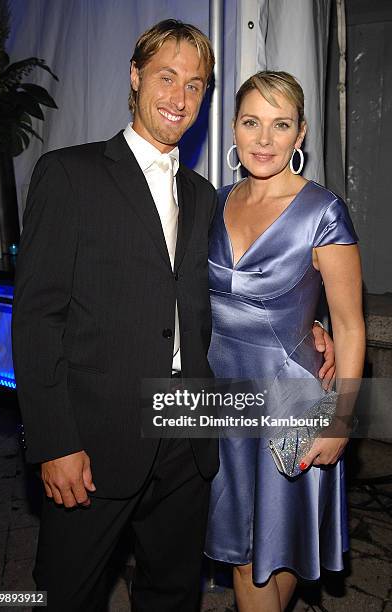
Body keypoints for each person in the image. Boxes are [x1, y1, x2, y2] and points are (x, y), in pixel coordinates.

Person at [12, 19, 334, 610]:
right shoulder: (69, 174)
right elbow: (35, 319)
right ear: (135, 78)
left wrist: (305, 323)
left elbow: (228, 291)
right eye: (166, 77)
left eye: (195, 84)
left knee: (172, 594)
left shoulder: (204, 195)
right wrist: (54, 441)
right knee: (69, 592)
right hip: (94, 441)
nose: (179, 97)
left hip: (188, 436)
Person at [204, 71, 365, 612]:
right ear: (234, 128)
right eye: (252, 122)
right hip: (220, 399)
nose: (265, 139)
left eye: (281, 125)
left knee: (263, 552)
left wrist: (340, 419)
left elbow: (349, 326)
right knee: (253, 551)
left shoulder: (323, 212)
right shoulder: (213, 204)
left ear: (300, 136)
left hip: (289, 401)